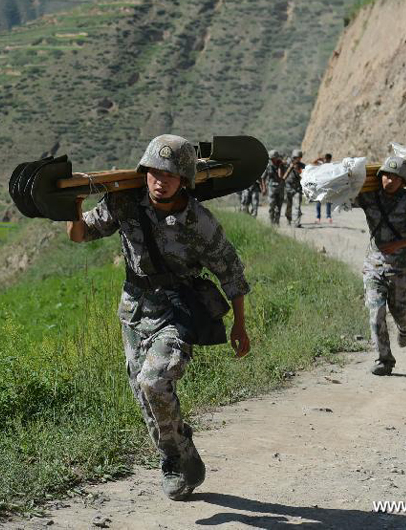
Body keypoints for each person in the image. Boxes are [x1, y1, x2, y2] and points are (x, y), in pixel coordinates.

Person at [66, 134, 251, 500]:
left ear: (184, 179)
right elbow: (81, 234)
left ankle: (169, 459)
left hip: (177, 308)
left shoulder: (198, 222)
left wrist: (240, 326)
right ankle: (179, 448)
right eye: (152, 172)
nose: (158, 180)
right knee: (143, 392)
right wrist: (70, 206)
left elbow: (232, 273)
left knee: (154, 381)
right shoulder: (123, 202)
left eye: (168, 174)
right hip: (134, 309)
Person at [355, 156, 406, 376]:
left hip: (400, 268)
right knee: (376, 312)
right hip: (374, 266)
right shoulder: (369, 197)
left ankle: (405, 327)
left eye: (394, 177)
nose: (388, 180)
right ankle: (384, 359)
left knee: (401, 312)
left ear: (402, 180)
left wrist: (397, 245)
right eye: (385, 175)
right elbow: (344, 194)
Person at [263, 149, 286, 226]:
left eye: (274, 158)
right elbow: (263, 178)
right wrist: (264, 188)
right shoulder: (268, 166)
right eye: (271, 159)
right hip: (271, 188)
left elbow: (281, 177)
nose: (272, 160)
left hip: (280, 189)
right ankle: (271, 222)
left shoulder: (282, 165)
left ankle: (277, 222)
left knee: (279, 206)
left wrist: (280, 166)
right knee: (271, 205)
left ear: (277, 158)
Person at [284, 149, 305, 227]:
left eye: (298, 157)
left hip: (297, 189)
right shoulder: (288, 164)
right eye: (295, 157)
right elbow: (284, 176)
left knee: (297, 206)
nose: (297, 159)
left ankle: (297, 223)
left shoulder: (302, 166)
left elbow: (304, 177)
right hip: (288, 188)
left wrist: (297, 170)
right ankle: (288, 220)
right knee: (289, 206)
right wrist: (290, 167)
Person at [314, 153, 333, 223]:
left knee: (328, 202)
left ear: (329, 159)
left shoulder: (331, 166)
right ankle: (319, 217)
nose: (326, 160)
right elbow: (313, 163)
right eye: (326, 158)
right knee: (319, 201)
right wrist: (319, 159)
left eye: (327, 159)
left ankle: (328, 216)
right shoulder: (321, 164)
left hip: (327, 185)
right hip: (321, 185)